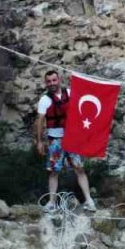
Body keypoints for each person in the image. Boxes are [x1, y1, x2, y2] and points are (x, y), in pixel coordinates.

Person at [34, 69, 97, 213]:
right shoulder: (45, 100)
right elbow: (40, 121)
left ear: (59, 80)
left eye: (54, 80)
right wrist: (39, 141)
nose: (52, 83)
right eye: (48, 81)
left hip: (71, 138)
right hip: (55, 140)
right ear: (46, 83)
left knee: (79, 169)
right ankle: (52, 203)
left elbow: (82, 108)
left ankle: (89, 200)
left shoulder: (69, 93)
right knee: (54, 171)